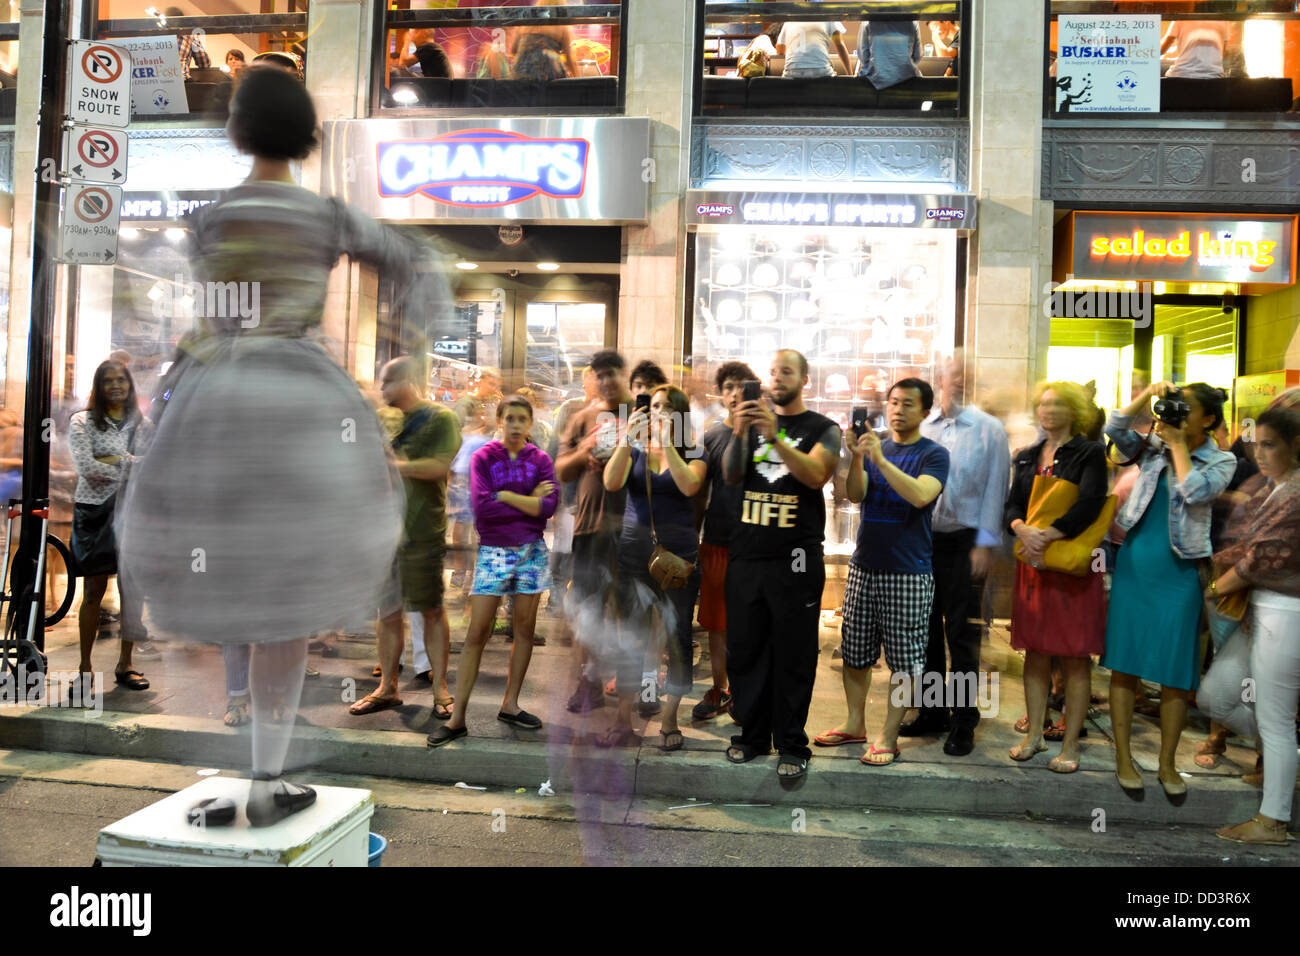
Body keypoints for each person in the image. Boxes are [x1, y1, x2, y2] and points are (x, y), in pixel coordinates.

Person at [117, 67, 435, 826]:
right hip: (301, 406)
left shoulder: (209, 217)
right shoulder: (324, 215)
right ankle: (265, 775)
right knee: (287, 609)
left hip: (219, 407)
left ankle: (248, 769)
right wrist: (399, 347)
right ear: (307, 134)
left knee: (235, 584)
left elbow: (186, 308)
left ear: (236, 130)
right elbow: (417, 265)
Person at [1101, 381, 1236, 796]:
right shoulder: (1152, 446)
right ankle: (1123, 757)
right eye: (1173, 405)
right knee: (1125, 663)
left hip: (1180, 570)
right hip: (1138, 561)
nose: (1174, 413)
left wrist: (1177, 446)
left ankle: (1166, 764)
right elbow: (1114, 426)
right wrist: (1148, 394)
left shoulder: (1221, 459)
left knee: (1176, 672)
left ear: (1209, 419)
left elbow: (1195, 492)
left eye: (1185, 408)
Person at [816, 378, 948, 766]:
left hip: (909, 571)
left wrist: (881, 461)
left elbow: (921, 495)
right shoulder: (876, 449)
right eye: (893, 402)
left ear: (925, 412)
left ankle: (888, 734)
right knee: (855, 653)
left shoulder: (934, 454)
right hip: (864, 565)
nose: (898, 409)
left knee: (904, 661)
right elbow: (855, 495)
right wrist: (857, 457)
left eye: (908, 404)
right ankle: (854, 723)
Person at [723, 350, 840, 778]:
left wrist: (773, 437)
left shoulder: (823, 429)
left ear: (804, 379)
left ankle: (792, 742)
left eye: (786, 372)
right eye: (772, 372)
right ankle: (752, 736)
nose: (776, 379)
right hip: (748, 554)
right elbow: (732, 475)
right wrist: (740, 429)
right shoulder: (750, 425)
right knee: (746, 650)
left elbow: (816, 476)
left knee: (794, 652)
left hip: (795, 556)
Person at [428, 396, 558, 747]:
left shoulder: (541, 459)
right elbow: (482, 509)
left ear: (530, 423)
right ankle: (457, 718)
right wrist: (526, 498)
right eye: (510, 418)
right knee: (477, 632)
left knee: (525, 631)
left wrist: (505, 496)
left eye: (522, 419)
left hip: (531, 550)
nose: (516, 424)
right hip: (494, 551)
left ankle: (511, 704)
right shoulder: (484, 457)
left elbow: (549, 507)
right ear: (500, 420)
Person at [907, 353, 1010, 755]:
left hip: (966, 543)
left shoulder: (989, 429)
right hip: (921, 541)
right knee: (925, 632)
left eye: (969, 376)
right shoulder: (923, 427)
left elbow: (995, 489)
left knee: (963, 636)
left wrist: (985, 544)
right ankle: (932, 712)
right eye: (955, 375)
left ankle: (964, 720)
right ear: (940, 380)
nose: (962, 381)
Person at [350, 356, 461, 720]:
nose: (381, 390)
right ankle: (388, 688)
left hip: (421, 531)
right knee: (388, 611)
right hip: (385, 531)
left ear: (407, 381)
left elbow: (438, 467)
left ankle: (441, 688)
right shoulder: (384, 419)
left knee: (430, 609)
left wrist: (394, 465)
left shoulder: (440, 419)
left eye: (387, 383)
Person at [1208, 406, 1300, 845]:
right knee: (1216, 697)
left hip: (1286, 611)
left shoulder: (1295, 492)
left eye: (1271, 445)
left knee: (1275, 718)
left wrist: (1211, 589)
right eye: (1257, 443)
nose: (1260, 453)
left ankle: (1273, 821)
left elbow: (1259, 558)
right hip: (1261, 607)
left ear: (1295, 446)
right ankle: (1286, 767)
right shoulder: (1276, 487)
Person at [1005, 382, 1108, 773]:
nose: (1048, 410)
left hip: (1068, 565)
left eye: (1058, 403)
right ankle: (1033, 735)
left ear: (1076, 410)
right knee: (1035, 653)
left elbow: (1091, 502)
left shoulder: (1090, 451)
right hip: (1033, 562)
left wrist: (1046, 535)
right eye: (1043, 403)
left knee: (1074, 658)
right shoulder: (1028, 455)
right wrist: (1021, 528)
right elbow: (1013, 502)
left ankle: (1071, 745)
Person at [598, 385, 708, 749]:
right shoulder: (635, 447)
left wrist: (668, 444)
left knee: (677, 638)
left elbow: (690, 486)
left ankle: (670, 717)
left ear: (679, 414)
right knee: (631, 636)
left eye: (665, 407)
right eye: (652, 406)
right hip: (634, 554)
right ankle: (622, 716)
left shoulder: (693, 448)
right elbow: (611, 482)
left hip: (677, 557)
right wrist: (628, 439)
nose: (657, 411)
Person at [68, 360, 154, 701]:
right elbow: (86, 466)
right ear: (99, 387)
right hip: (94, 513)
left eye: (121, 380)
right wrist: (128, 460)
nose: (116, 385)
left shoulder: (141, 423)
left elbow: (149, 467)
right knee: (92, 592)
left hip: (133, 511)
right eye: (108, 381)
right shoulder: (82, 420)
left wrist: (112, 460)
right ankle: (85, 667)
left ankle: (125, 663)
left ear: (130, 385)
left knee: (132, 591)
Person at [556, 349, 632, 713]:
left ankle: (639, 684)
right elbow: (561, 470)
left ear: (624, 375)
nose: (605, 382)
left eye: (612, 374)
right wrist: (584, 451)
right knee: (588, 610)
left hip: (635, 527)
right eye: (599, 375)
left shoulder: (644, 415)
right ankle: (590, 682)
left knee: (632, 609)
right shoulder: (583, 416)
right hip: (590, 525)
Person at [693, 361, 757, 721]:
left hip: (756, 545)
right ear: (720, 393)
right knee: (716, 625)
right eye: (729, 387)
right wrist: (693, 538)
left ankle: (748, 691)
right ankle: (722, 687)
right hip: (717, 541)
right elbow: (700, 495)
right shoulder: (712, 437)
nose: (735, 394)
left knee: (750, 624)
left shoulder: (765, 434)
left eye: (742, 387)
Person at [510, 0, 576, 81]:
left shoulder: (525, 22)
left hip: (521, 75)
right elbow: (569, 58)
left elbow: (513, 50)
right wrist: (579, 79)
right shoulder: (562, 25)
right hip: (549, 76)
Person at [856, 19, 921, 89]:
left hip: (874, 83)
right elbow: (917, 55)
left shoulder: (867, 21)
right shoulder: (912, 21)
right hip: (908, 81)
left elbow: (863, 56)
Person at [776, 21, 851, 77]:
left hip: (792, 72)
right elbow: (839, 44)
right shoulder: (829, 16)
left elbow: (780, 51)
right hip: (820, 70)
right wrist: (850, 74)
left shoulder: (790, 20)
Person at [1161, 20, 1231, 79]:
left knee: (1161, 67)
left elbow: (1163, 48)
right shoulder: (1224, 20)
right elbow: (1222, 53)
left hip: (1182, 74)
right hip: (1214, 76)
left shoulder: (1181, 17)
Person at [166, 6, 212, 81]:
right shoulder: (189, 36)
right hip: (181, 81)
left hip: (157, 82)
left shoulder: (156, 35)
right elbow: (204, 63)